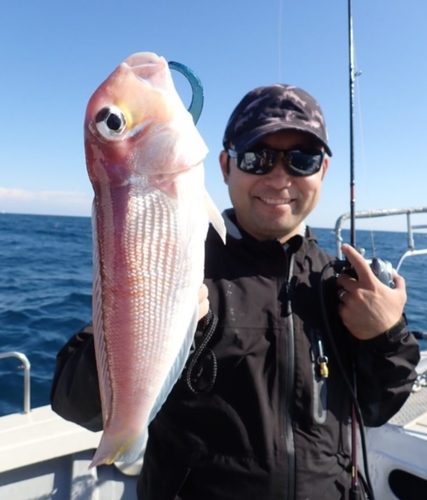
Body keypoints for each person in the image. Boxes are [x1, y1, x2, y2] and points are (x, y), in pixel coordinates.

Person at [51, 84, 420, 500]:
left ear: (323, 172)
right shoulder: (181, 261)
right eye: (257, 157)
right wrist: (151, 324)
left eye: (302, 159)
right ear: (225, 166)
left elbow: (378, 408)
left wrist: (384, 335)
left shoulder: (342, 284)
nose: (280, 177)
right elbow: (72, 401)